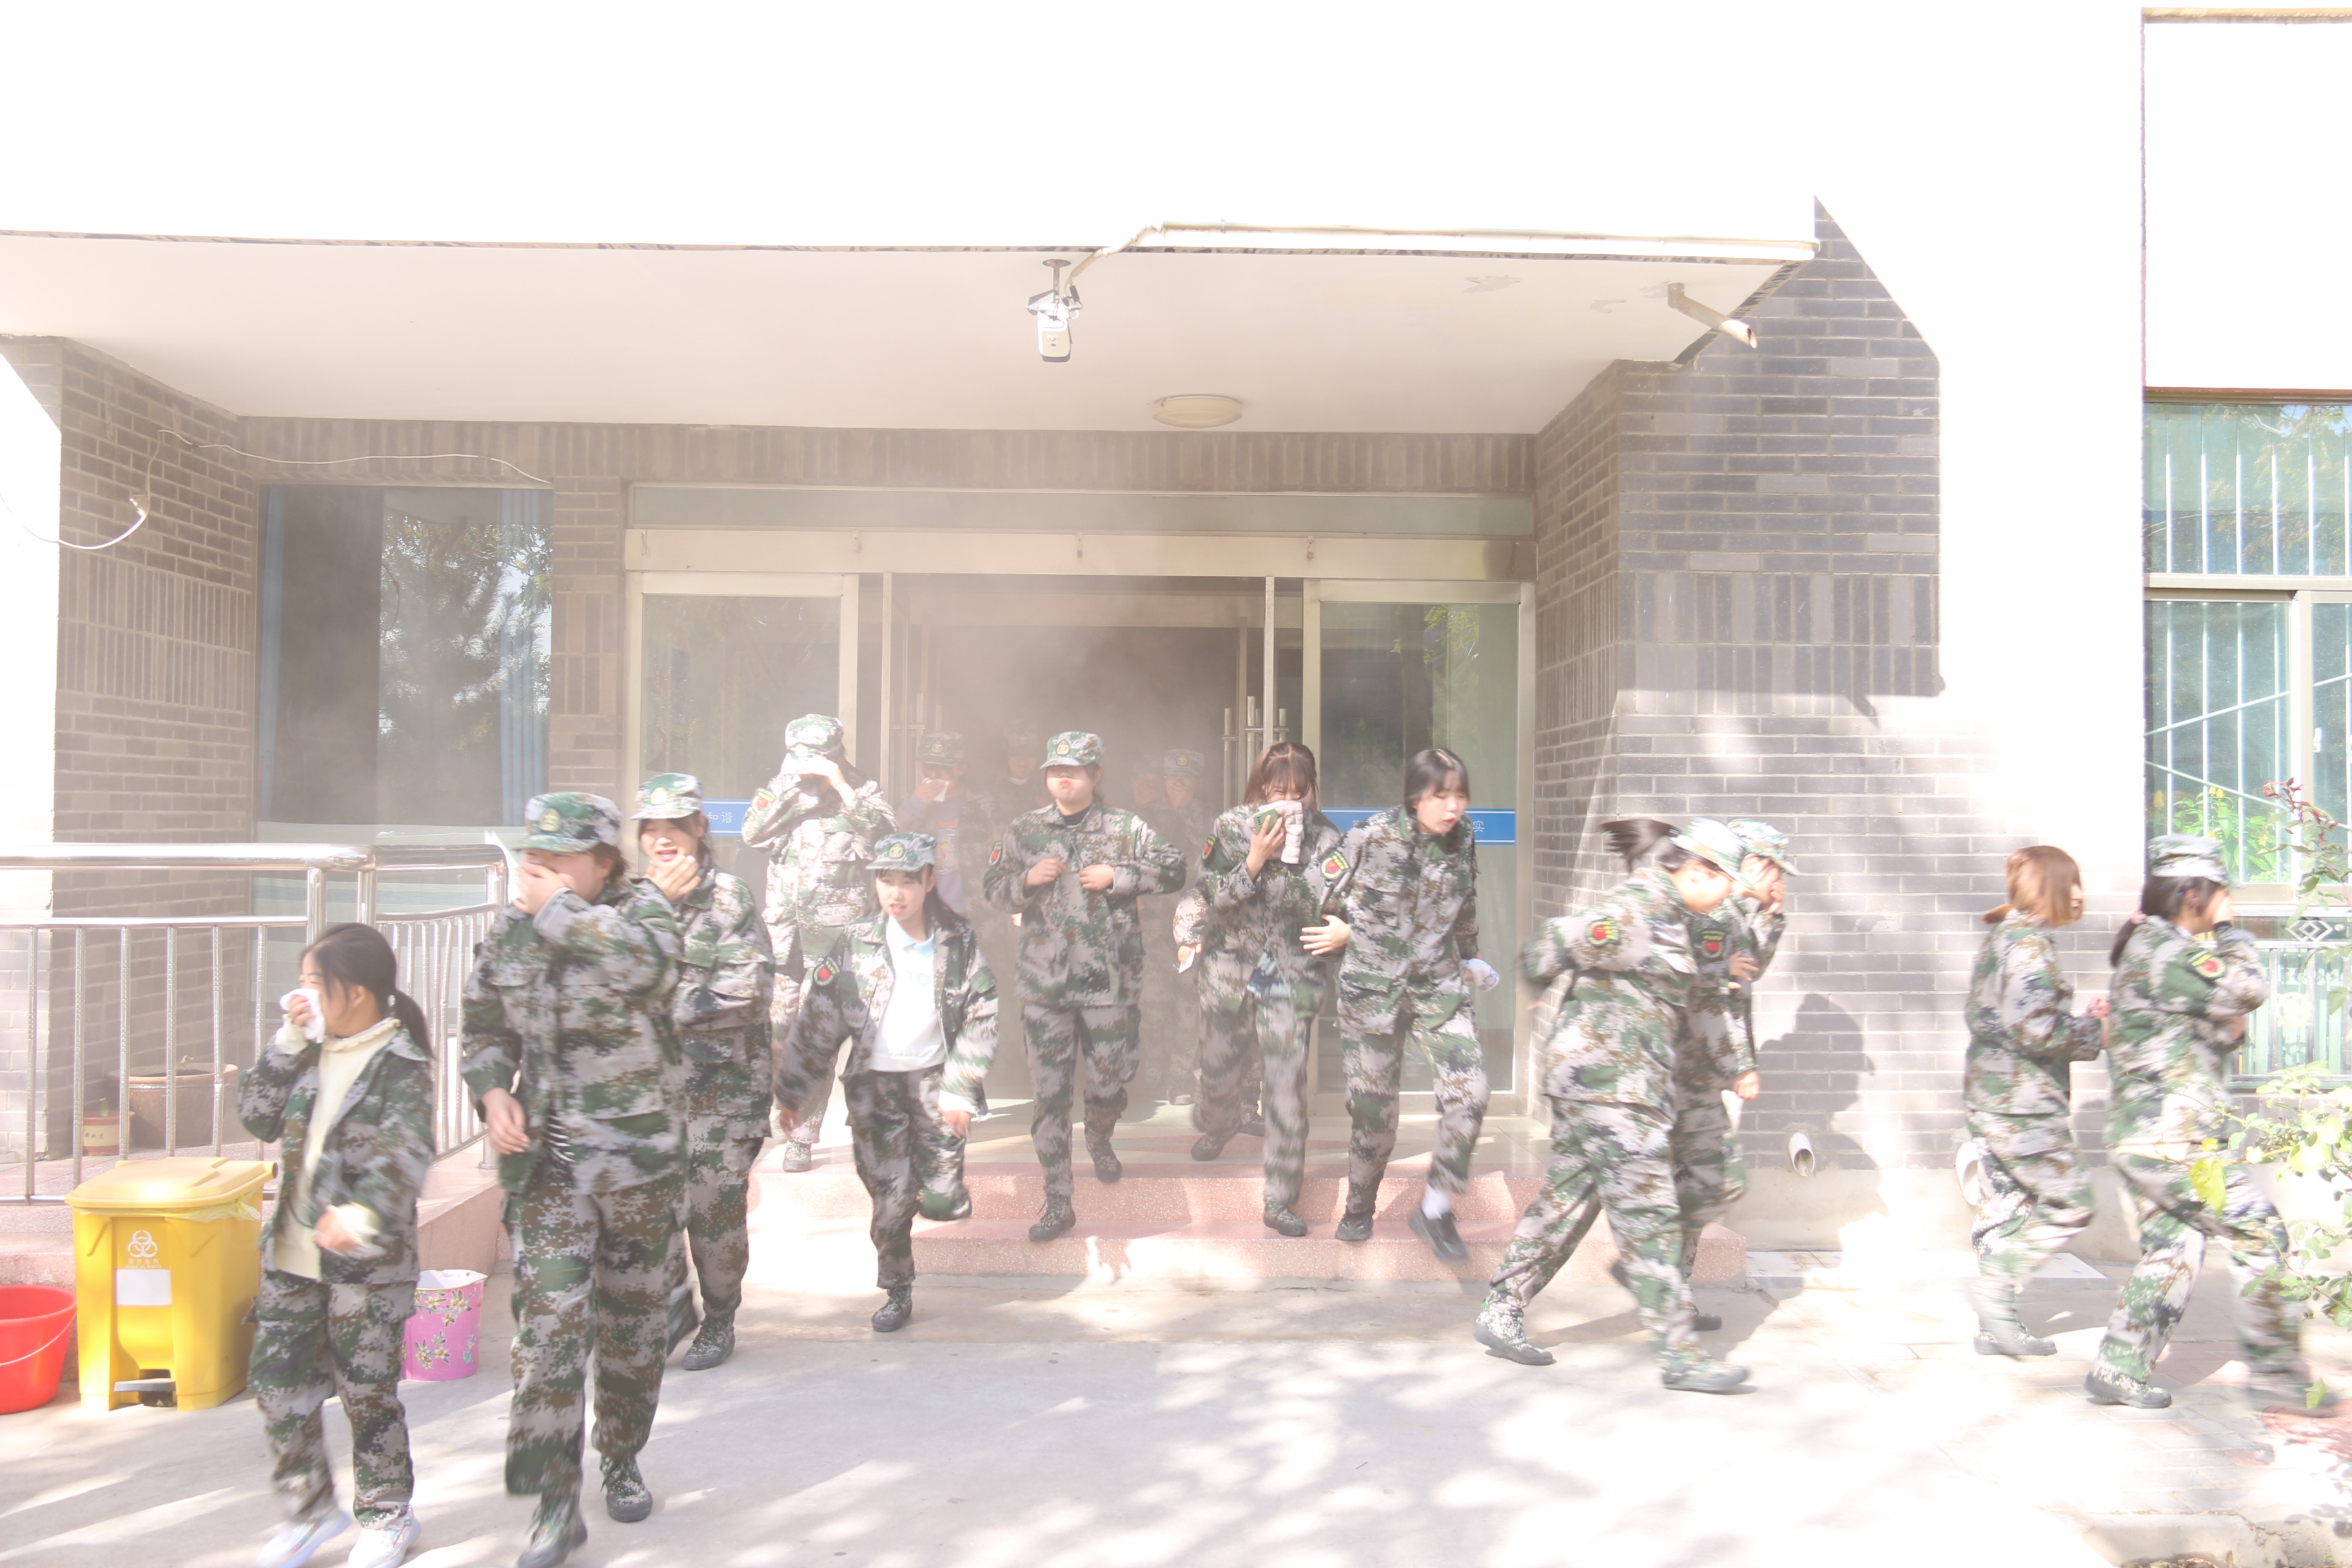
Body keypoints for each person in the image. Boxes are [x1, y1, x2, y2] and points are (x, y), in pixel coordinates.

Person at [462, 793, 684, 1568]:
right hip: (550, 1168)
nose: (541, 870)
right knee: (549, 1333)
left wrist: (558, 909)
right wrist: (493, 1091)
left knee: (633, 1330)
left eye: (560, 858)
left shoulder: (642, 912)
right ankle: (553, 1502)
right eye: (536, 856)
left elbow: (649, 972)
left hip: (636, 1166)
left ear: (603, 861)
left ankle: (621, 1454)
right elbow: (484, 1023)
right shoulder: (514, 927)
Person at [1474, 818, 1752, 1395]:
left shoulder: (1682, 920)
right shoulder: (1637, 911)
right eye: (1729, 880)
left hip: (1620, 1085)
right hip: (1607, 1084)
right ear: (1698, 872)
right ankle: (1681, 1356)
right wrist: (1533, 992)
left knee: (1567, 1204)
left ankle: (1501, 1308)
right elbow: (1551, 942)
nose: (1733, 893)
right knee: (1649, 1213)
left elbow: (1693, 1001)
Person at [2087, 834, 2322, 1410]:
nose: (2226, 900)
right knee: (2261, 1231)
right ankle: (2277, 1374)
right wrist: (2231, 932)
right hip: (2172, 1138)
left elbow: (2208, 1030)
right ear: (2193, 893)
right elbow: (2247, 989)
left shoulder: (2155, 948)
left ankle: (2118, 1368)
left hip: (2150, 1134)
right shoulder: (2167, 950)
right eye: (2220, 891)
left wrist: (2228, 1029)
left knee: (2174, 1248)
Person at [240, 924, 436, 1568]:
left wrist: (362, 1212)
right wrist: (285, 1042)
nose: (300, 994)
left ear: (353, 992)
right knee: (278, 1386)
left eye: (312, 982)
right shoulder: (307, 1050)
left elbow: (406, 1155)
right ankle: (309, 1510)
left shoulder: (400, 1062)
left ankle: (388, 1514)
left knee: (367, 1392)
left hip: (366, 1267)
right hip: (292, 1256)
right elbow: (257, 1115)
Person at [780, 832, 1000, 1331]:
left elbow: (982, 1013)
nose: (895, 892)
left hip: (934, 1087)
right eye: (886, 880)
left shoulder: (958, 940)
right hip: (874, 1090)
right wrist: (793, 1092)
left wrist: (961, 1090)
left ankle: (934, 1190)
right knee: (891, 1200)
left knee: (941, 1201)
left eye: (907, 880)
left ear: (929, 881)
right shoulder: (855, 940)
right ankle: (898, 1289)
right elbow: (819, 1018)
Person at [981, 730, 1187, 1240]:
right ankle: (1058, 1199)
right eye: (1055, 771)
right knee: (1049, 1095)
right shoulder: (1024, 830)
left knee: (1108, 1081)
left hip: (1109, 982)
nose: (1063, 778)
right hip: (1044, 985)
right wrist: (1026, 881)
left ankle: (1099, 1132)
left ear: (1096, 775)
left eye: (1073, 771)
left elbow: (1175, 869)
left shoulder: (1125, 826)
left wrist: (1118, 876)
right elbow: (993, 889)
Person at [1326, 747, 1497, 1259]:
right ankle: (1360, 1205)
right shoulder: (1368, 836)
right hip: (1372, 993)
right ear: (1415, 796)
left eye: (1461, 796)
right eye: (1442, 796)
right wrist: (1344, 934)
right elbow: (1311, 897)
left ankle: (1435, 1209)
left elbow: (1464, 903)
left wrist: (1471, 955)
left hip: (1438, 988)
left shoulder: (1464, 838)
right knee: (1374, 1115)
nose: (1453, 807)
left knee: (1471, 1093)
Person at [632, 773, 775, 1373]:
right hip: (648, 1090)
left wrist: (654, 1005)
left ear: (699, 828)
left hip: (723, 1090)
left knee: (712, 1210)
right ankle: (670, 1304)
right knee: (644, 1203)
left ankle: (719, 1317)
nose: (662, 839)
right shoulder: (630, 904)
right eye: (651, 828)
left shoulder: (729, 899)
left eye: (675, 826)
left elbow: (747, 990)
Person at [1189, 741, 1351, 1235]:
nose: (1290, 802)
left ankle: (1281, 1198)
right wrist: (1254, 861)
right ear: (1262, 789)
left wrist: (1344, 933)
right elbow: (1209, 896)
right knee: (1218, 1070)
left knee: (1286, 1090)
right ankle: (1221, 1121)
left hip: (1291, 976)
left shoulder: (1329, 840)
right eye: (1279, 791)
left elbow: (1345, 908)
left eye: (1299, 793)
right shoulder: (1230, 828)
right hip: (1230, 972)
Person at [1957, 844, 2107, 1358]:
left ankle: (1995, 1325)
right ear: (2050, 889)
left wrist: (2080, 1021)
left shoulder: (2007, 937)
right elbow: (2035, 1029)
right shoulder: (2028, 946)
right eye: (2073, 882)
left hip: (1994, 1097)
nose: (2081, 894)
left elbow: (2016, 1019)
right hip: (2022, 1105)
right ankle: (1997, 1287)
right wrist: (2098, 1032)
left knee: (2006, 1212)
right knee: (2074, 1201)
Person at [741, 714, 896, 1173]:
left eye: (816, 761)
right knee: (776, 1034)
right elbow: (752, 832)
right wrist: (794, 792)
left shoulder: (863, 792)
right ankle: (781, 1110)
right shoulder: (783, 787)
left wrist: (842, 787)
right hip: (785, 940)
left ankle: (801, 1138)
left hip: (834, 943)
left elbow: (888, 840)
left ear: (836, 756)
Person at [1660, 817, 1795, 1329]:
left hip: (1691, 1072)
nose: (1780, 881)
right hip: (1684, 1072)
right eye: (1777, 870)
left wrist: (1771, 918)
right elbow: (1720, 1001)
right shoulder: (1716, 914)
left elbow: (1744, 973)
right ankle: (1654, 1273)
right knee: (1712, 1179)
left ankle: (1669, 1295)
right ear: (1755, 864)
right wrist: (1743, 1067)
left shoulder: (1732, 913)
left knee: (1697, 1181)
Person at [1144, 748, 1214, 1110]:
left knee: (1189, 1004)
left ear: (1197, 782)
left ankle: (1179, 1078)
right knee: (1154, 1004)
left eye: (1185, 779)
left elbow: (1211, 867)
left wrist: (1185, 812)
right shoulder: (1146, 817)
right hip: (1153, 924)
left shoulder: (1210, 820)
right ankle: (1151, 1076)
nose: (1177, 784)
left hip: (1193, 924)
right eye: (1172, 778)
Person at [896, 730, 988, 916]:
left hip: (976, 915)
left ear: (961, 768)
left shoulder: (984, 804)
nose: (934, 774)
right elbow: (892, 846)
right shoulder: (910, 805)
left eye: (943, 768)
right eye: (928, 767)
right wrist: (915, 804)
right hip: (926, 912)